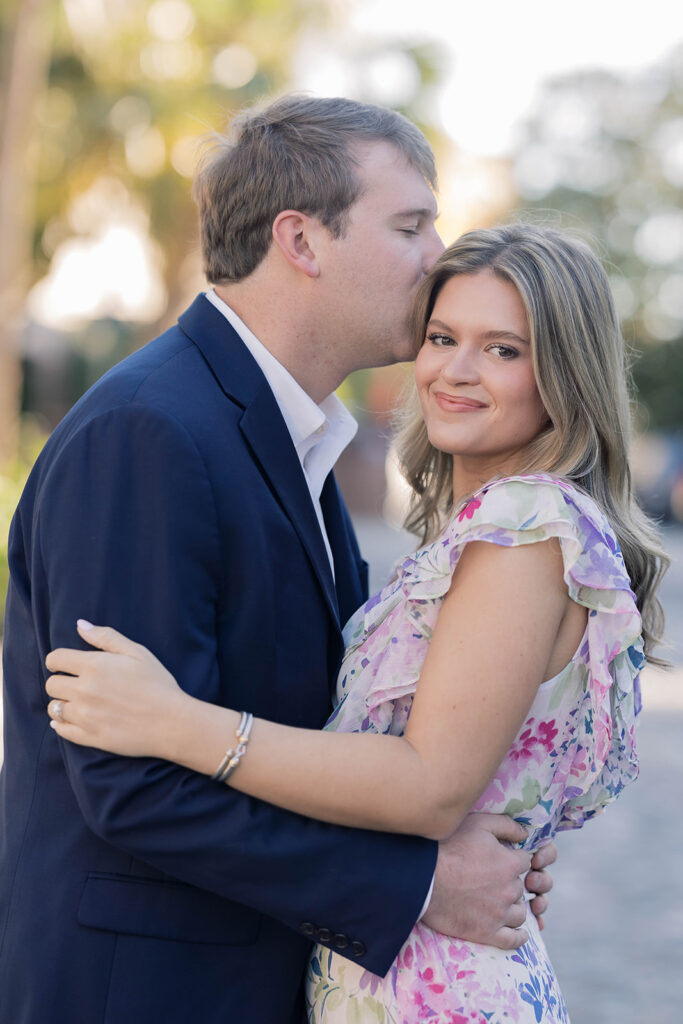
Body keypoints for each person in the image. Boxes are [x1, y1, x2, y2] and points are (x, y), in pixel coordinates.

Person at [0, 98, 555, 1024]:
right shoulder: (151, 431)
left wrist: (464, 828)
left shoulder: (290, 434)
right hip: (140, 993)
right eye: (410, 224)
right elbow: (131, 787)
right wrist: (417, 885)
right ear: (302, 239)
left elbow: (309, 724)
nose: (438, 256)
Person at [44, 223, 668, 1023]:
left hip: (438, 988)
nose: (457, 371)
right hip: (400, 963)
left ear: (564, 374)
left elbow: (429, 788)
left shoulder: (524, 526)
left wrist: (178, 724)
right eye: (442, 337)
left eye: (504, 350)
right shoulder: (492, 528)